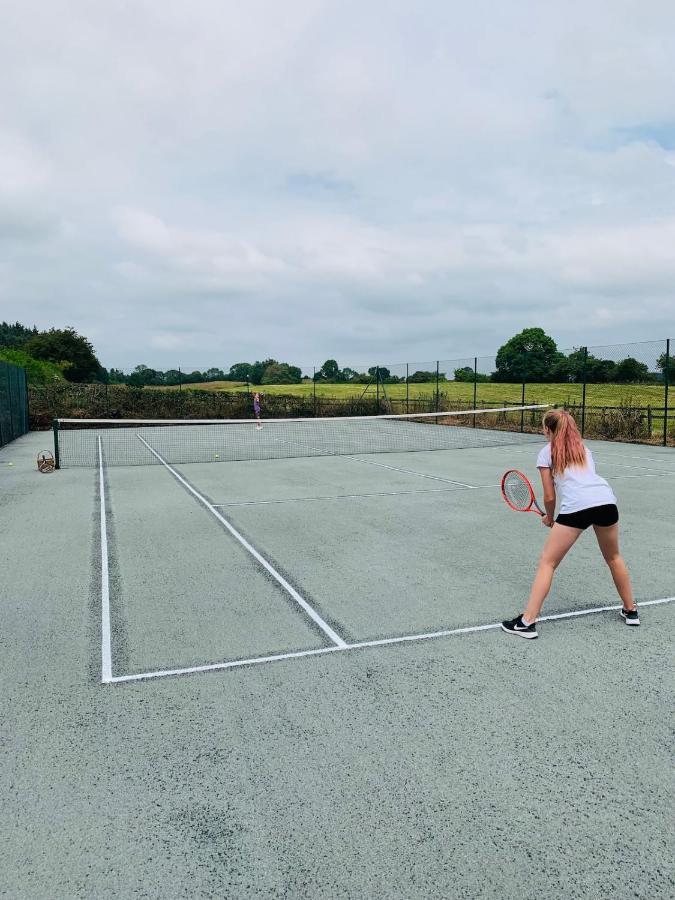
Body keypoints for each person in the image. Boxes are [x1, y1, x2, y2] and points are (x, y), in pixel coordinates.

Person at [502, 408, 639, 639]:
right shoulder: (583, 449)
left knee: (547, 562)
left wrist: (550, 517)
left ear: (548, 429)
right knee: (614, 557)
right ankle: (631, 611)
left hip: (577, 507)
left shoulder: (546, 452)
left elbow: (549, 496)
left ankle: (527, 622)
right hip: (606, 501)